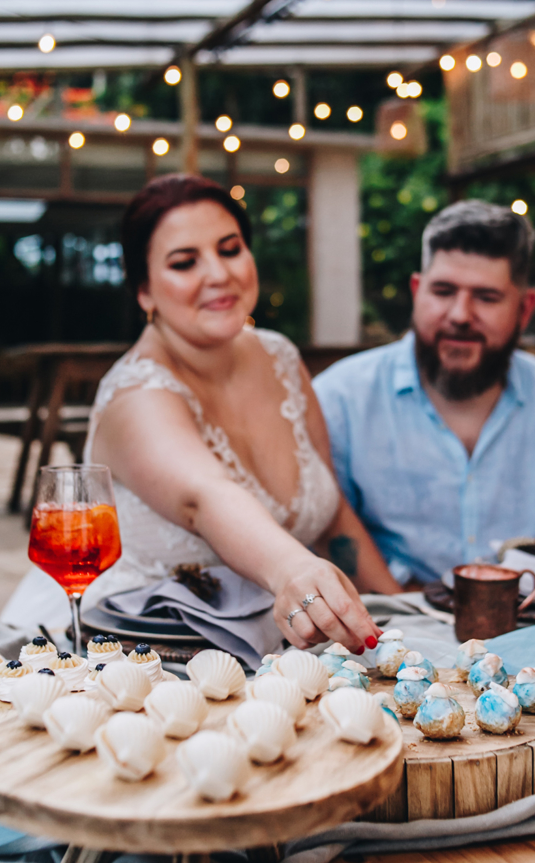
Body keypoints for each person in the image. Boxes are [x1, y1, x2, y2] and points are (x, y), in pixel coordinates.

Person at [75, 173, 400, 654]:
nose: (218, 274)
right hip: (156, 658)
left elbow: (334, 523)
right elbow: (206, 497)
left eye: (230, 249)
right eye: (185, 262)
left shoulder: (281, 358)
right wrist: (293, 569)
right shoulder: (136, 396)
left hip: (294, 655)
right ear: (144, 290)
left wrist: (404, 618)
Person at [314, 199, 535, 585]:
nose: (460, 315)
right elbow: (324, 534)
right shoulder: (340, 398)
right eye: (443, 291)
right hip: (389, 622)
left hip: (533, 621)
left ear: (525, 309)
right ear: (417, 292)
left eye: (486, 297)